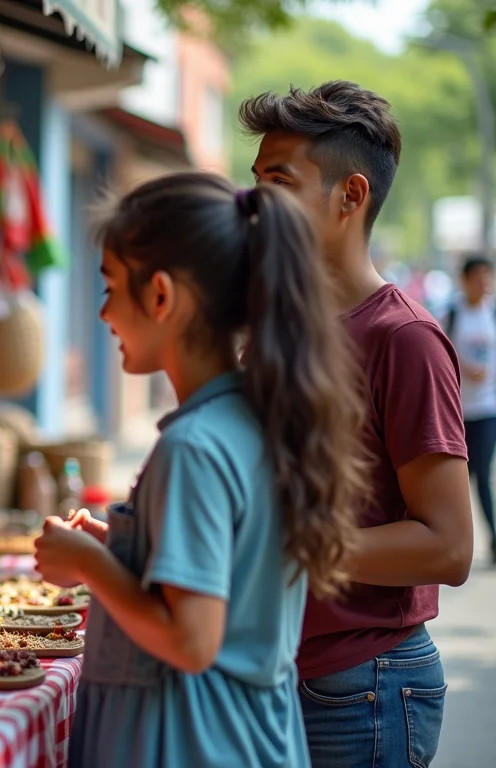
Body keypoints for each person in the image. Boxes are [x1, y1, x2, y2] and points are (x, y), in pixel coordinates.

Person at [35, 172, 368, 767]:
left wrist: (90, 565)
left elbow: (192, 640)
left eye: (110, 286)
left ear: (161, 296)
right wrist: (123, 551)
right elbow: (233, 572)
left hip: (192, 742)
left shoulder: (194, 447)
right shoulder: (252, 417)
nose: (105, 311)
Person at [242, 81, 472, 767]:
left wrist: (291, 546)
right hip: (278, 674)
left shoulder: (404, 338)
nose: (255, 204)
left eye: (279, 183)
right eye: (254, 181)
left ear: (351, 196)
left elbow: (448, 546)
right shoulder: (277, 332)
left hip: (363, 688)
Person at [444, 256, 496, 562]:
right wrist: (464, 367)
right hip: (458, 411)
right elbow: (438, 352)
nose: (483, 283)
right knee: (459, 477)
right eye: (477, 277)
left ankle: (492, 537)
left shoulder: (492, 312)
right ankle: (453, 539)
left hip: (488, 408)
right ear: (464, 280)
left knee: (480, 472)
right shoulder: (451, 313)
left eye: (487, 277)